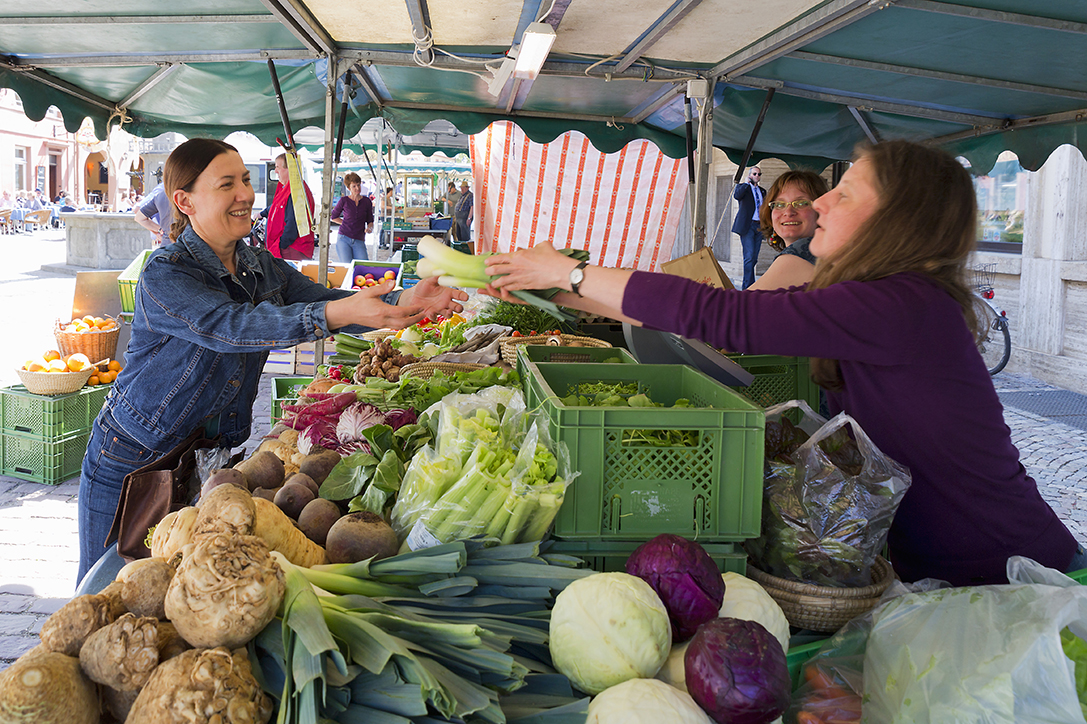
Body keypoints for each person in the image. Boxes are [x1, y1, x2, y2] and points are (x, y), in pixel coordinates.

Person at [483, 139, 1083, 587]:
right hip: (945, 569)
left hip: (1016, 572)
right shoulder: (878, 301)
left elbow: (730, 318)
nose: (822, 200)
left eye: (844, 193)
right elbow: (733, 313)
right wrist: (556, 292)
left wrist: (574, 271)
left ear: (892, 221)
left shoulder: (902, 303)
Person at [76, 138, 468, 583]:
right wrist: (343, 311)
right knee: (107, 587)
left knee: (187, 582)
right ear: (184, 201)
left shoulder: (259, 265)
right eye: (228, 184)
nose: (246, 193)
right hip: (136, 458)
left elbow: (332, 302)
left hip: (211, 458)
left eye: (245, 179)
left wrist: (405, 300)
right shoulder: (166, 272)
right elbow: (231, 326)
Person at [747, 170, 829, 291]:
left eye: (801, 203)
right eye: (780, 204)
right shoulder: (824, 254)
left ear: (820, 211)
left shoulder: (802, 252)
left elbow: (735, 307)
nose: (788, 212)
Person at [260, 153, 316, 261]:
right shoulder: (290, 188)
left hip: (292, 249)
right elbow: (278, 206)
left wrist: (281, 244)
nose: (275, 171)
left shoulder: (296, 192)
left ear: (289, 169)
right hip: (290, 248)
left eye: (277, 167)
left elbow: (293, 223)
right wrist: (262, 213)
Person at [732, 166, 766, 289]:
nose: (757, 176)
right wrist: (747, 183)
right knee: (749, 256)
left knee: (754, 258)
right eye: (755, 174)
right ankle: (747, 287)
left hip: (759, 226)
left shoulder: (762, 191)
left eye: (759, 174)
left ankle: (749, 284)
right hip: (748, 226)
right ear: (750, 175)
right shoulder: (744, 188)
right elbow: (737, 196)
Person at [331, 172, 375, 262]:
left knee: (363, 265)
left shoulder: (366, 201)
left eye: (358, 185)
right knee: (347, 266)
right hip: (344, 238)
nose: (357, 188)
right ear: (349, 188)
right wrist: (345, 223)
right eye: (354, 186)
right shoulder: (344, 201)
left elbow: (370, 219)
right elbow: (334, 216)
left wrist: (369, 228)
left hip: (359, 239)